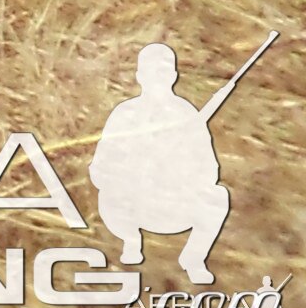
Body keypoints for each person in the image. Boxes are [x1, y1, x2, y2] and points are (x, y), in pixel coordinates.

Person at [90, 43, 235, 284]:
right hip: (132, 203)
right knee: (111, 196)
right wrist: (129, 172)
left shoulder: (188, 115)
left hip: (174, 202)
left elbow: (209, 168)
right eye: (150, 71)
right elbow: (101, 166)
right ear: (139, 76)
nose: (157, 78)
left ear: (174, 76)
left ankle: (194, 258)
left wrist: (177, 173)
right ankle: (131, 241)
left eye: (163, 71)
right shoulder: (125, 113)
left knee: (218, 197)